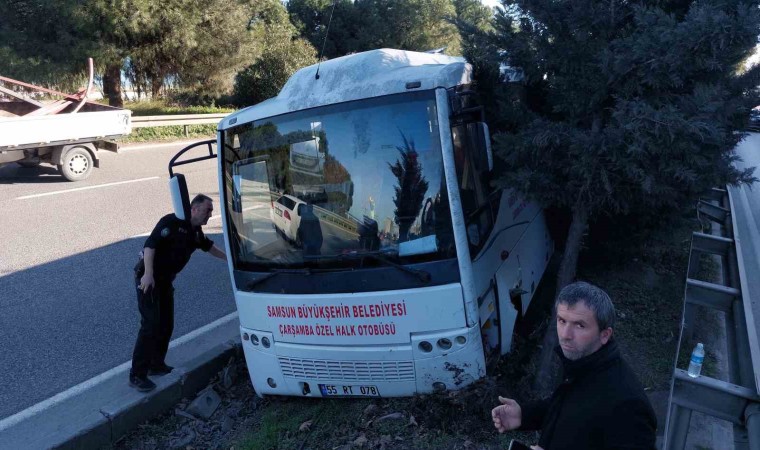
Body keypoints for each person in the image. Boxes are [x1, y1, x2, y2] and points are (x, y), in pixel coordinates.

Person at [492, 281, 657, 450]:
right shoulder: (580, 365)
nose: (565, 335)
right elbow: (568, 407)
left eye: (580, 325)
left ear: (604, 335)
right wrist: (524, 415)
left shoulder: (628, 404)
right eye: (562, 321)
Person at [129, 194, 227, 392]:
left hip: (165, 282)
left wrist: (231, 260)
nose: (210, 213)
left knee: (166, 324)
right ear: (195, 209)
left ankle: (156, 364)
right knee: (150, 325)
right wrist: (148, 274)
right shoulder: (171, 222)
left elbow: (210, 247)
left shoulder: (196, 232)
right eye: (208, 209)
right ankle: (137, 375)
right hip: (149, 279)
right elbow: (150, 245)